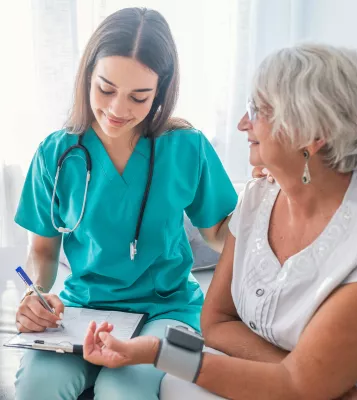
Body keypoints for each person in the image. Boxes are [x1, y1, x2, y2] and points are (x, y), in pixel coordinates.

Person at [82, 44, 357, 400]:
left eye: (258, 110)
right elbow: (216, 322)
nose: (242, 123)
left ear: (313, 133)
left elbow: (296, 388)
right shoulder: (259, 197)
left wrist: (159, 352)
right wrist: (302, 373)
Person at [13, 7, 238, 400]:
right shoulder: (56, 153)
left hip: (170, 312)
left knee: (123, 391)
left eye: (139, 96)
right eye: (105, 89)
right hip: (82, 309)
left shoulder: (187, 147)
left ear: (162, 92)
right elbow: (43, 252)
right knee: (37, 385)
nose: (118, 110)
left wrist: (276, 204)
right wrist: (35, 295)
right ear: (87, 77)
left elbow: (222, 233)